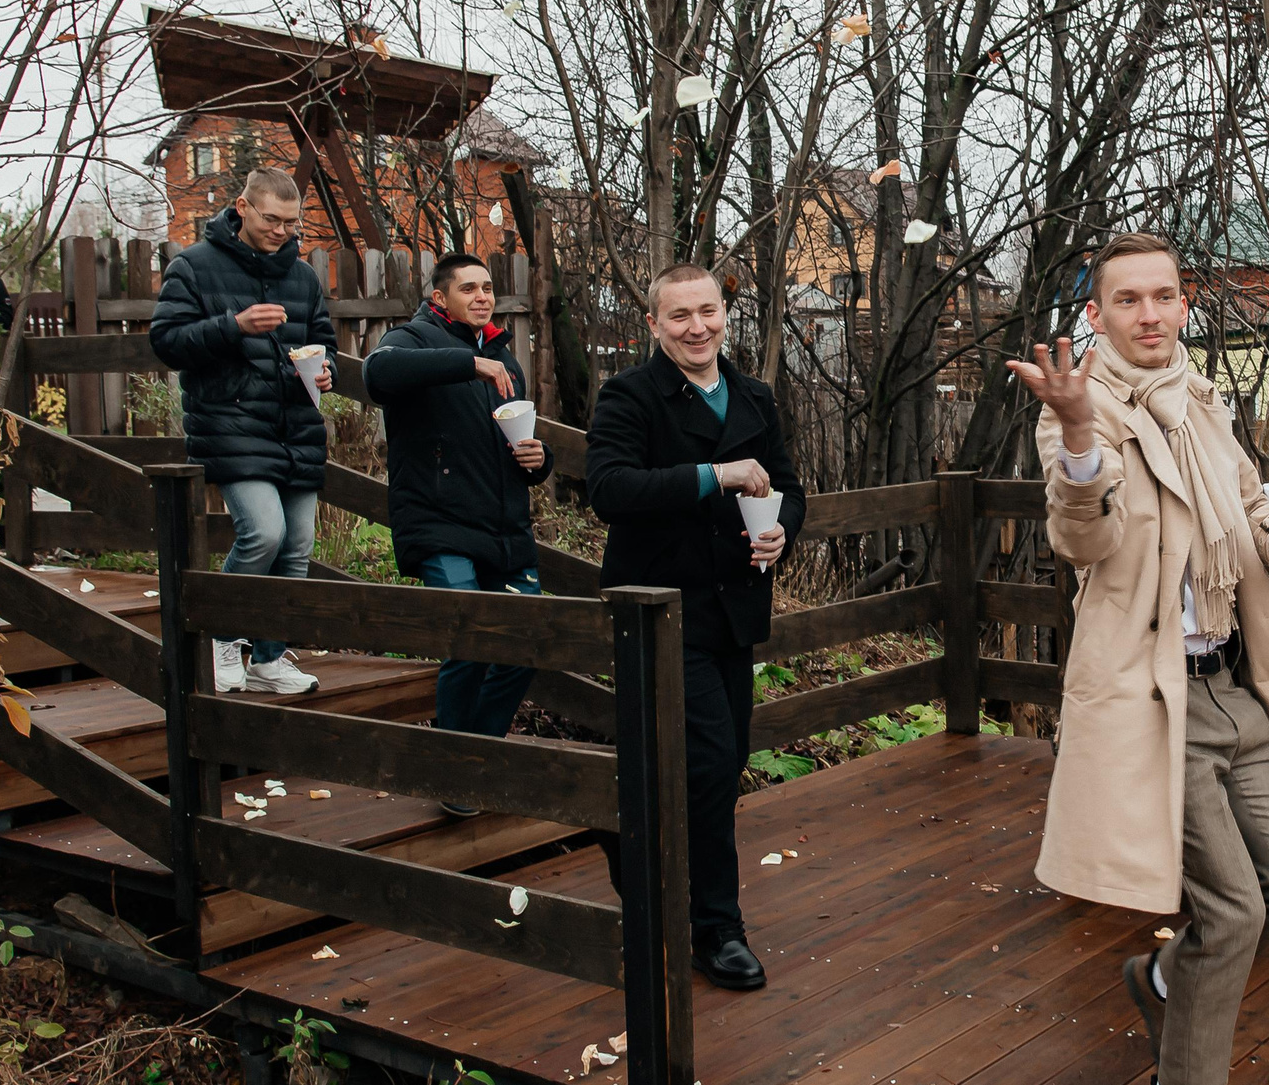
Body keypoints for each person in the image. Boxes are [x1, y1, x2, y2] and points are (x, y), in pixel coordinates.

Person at [1006, 231, 1269, 1085]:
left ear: (1185, 305)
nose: (1149, 315)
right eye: (1127, 301)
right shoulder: (1084, 410)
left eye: (1164, 297)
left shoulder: (1198, 401)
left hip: (1233, 684)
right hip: (1155, 706)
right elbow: (1085, 537)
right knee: (1230, 911)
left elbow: (1246, 506)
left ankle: (1161, 974)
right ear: (1097, 315)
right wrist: (1073, 430)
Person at [584, 263, 804, 993]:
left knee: (718, 759)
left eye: (707, 311)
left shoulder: (754, 396)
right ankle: (717, 927)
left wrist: (781, 534)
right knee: (709, 759)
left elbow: (788, 487)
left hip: (733, 610)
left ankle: (628, 833)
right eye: (679, 316)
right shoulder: (629, 395)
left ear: (723, 313)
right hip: (658, 610)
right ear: (653, 324)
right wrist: (715, 474)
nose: (696, 327)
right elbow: (609, 490)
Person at [365, 253, 553, 815]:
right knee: (467, 637)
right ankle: (452, 770)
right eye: (468, 288)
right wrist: (467, 363)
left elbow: (521, 450)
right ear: (440, 296)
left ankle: (479, 756)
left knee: (527, 641)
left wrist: (537, 460)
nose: (482, 296)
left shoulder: (506, 360)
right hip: (439, 522)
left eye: (488, 287)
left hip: (504, 527)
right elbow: (378, 375)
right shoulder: (411, 341)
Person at [148, 167, 336, 696]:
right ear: (243, 207)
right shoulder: (194, 265)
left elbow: (324, 339)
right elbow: (166, 342)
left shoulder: (301, 275)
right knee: (264, 532)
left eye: (291, 223)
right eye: (272, 219)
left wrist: (328, 371)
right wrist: (233, 326)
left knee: (297, 546)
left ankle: (270, 659)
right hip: (229, 423)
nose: (282, 231)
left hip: (296, 424)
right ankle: (221, 639)